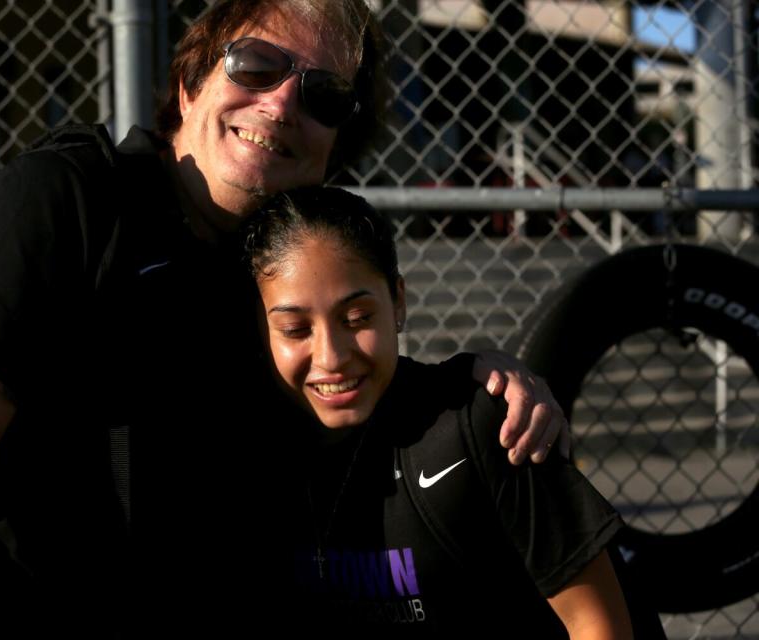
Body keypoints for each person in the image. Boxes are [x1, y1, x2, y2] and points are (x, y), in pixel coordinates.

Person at [0, 1, 569, 636]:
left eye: (322, 95)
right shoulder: (72, 198)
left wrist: (471, 383)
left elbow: (344, 384)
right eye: (257, 65)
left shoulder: (279, 270)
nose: (282, 103)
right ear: (191, 81)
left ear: (334, 151)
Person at [242, 185, 633, 637]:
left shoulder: (486, 426)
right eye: (294, 329)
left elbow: (598, 624)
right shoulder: (253, 450)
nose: (331, 357)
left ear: (399, 303)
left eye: (357, 319)